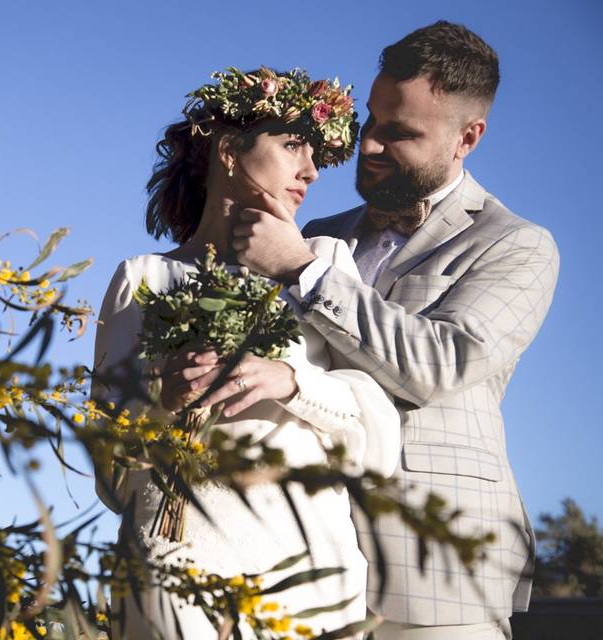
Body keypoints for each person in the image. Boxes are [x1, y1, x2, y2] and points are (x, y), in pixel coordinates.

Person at [223, 23, 560, 640]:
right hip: (293, 558)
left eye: (399, 133)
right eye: (369, 123)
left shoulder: (517, 245)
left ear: (467, 138)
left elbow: (437, 364)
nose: (369, 147)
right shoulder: (314, 227)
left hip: (436, 575)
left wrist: (302, 269)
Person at [92, 67, 401, 639]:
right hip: (174, 571)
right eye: (291, 145)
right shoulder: (143, 276)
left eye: (314, 155)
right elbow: (109, 471)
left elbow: (379, 434)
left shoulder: (322, 262)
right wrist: (164, 400)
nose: (310, 170)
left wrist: (290, 381)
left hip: (308, 575)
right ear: (230, 150)